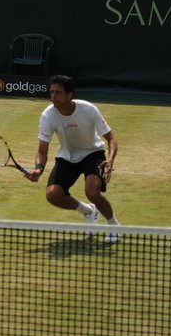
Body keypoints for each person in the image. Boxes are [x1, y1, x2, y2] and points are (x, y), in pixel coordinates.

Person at [26, 75, 122, 243]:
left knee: (92, 192)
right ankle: (88, 211)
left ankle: (114, 225)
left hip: (93, 153)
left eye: (58, 92)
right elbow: (42, 150)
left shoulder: (88, 109)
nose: (53, 96)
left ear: (70, 95)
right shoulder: (47, 115)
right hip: (67, 156)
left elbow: (111, 139)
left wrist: (111, 160)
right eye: (51, 92)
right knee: (52, 195)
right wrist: (39, 168)